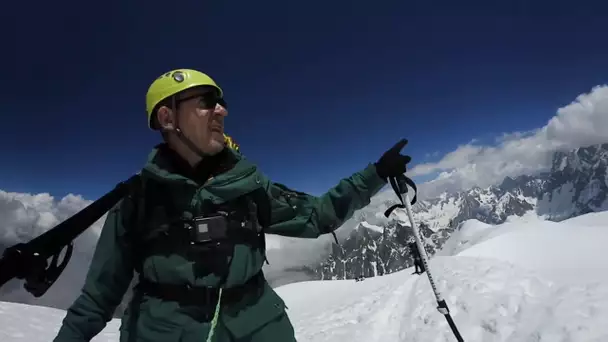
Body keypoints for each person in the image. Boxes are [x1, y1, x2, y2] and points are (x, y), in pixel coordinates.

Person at [53, 68, 413, 342]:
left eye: (220, 103)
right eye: (207, 102)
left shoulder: (250, 188)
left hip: (259, 327)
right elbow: (97, 300)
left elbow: (318, 217)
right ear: (167, 118)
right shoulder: (137, 202)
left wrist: (376, 174)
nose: (221, 111)